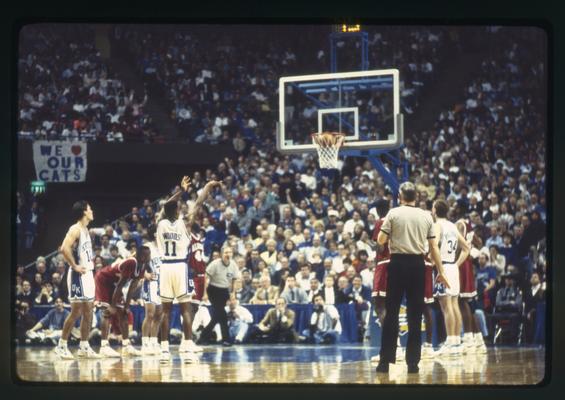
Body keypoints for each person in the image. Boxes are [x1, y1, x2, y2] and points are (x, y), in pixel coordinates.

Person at [375, 182, 449, 374]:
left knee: (391, 313)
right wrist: (441, 272)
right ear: (416, 197)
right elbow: (433, 248)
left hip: (397, 263)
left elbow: (381, 241)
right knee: (415, 315)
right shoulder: (426, 216)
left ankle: (385, 362)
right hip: (418, 265)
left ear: (400, 196)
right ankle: (413, 364)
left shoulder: (393, 213)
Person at [156, 176, 220, 363]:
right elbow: (198, 203)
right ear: (176, 210)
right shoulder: (186, 224)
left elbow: (166, 205)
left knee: (165, 310)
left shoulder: (160, 223)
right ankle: (187, 343)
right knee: (186, 308)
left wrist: (181, 191)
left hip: (165, 267)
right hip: (180, 267)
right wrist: (207, 186)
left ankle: (164, 348)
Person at [54, 200, 100, 359]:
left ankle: (84, 346)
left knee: (89, 312)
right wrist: (74, 266)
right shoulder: (75, 228)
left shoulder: (86, 229)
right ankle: (61, 345)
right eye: (90, 209)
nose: (92, 211)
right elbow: (64, 248)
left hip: (88, 274)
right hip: (78, 275)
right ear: (84, 212)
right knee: (76, 311)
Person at [95, 247, 151, 358]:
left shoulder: (143, 265)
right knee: (107, 312)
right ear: (142, 256)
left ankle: (126, 346)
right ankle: (104, 347)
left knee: (124, 313)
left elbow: (133, 286)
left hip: (115, 285)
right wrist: (112, 305)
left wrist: (126, 305)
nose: (150, 257)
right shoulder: (131, 262)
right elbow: (121, 285)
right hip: (104, 280)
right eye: (148, 255)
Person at [431, 200, 470, 357]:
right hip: (452, 267)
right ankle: (455, 342)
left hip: (443, 268)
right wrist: (456, 264)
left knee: (446, 306)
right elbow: (466, 248)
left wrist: (436, 263)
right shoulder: (453, 226)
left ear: (435, 210)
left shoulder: (437, 226)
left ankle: (449, 341)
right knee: (454, 304)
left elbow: (433, 245)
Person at [455, 219, 487, 353]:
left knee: (462, 302)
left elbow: (459, 246)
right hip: (466, 265)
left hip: (461, 264)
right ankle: (478, 339)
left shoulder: (459, 224)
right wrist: (471, 250)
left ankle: (468, 339)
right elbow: (479, 243)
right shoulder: (465, 225)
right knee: (468, 304)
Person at [198, 246, 241, 346]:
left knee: (217, 317)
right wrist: (204, 293)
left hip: (224, 290)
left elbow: (234, 279)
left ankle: (203, 337)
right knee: (222, 315)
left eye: (230, 252)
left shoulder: (233, 265)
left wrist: (233, 293)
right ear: (222, 254)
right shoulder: (215, 264)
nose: (228, 254)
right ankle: (226, 339)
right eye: (226, 252)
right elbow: (206, 277)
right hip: (213, 290)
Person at [140, 224, 165, 355]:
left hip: (162, 284)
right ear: (156, 234)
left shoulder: (163, 247)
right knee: (149, 314)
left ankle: (154, 342)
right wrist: (145, 275)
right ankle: (145, 343)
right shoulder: (147, 247)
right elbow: (136, 263)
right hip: (151, 284)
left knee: (159, 315)